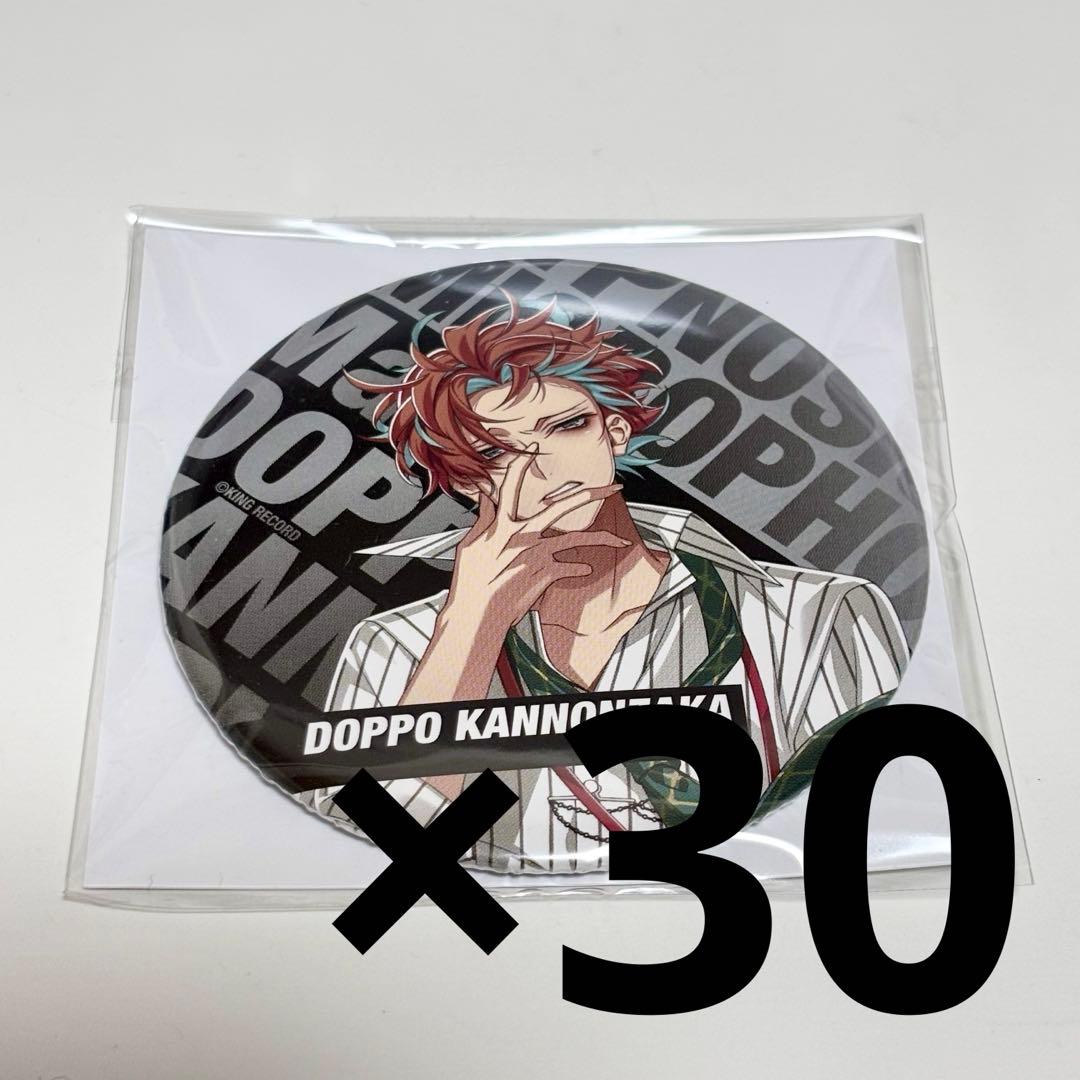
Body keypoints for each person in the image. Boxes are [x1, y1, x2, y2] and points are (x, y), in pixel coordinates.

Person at [297, 295, 909, 873]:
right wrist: (470, 626)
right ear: (463, 480)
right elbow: (379, 845)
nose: (546, 468)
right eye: (499, 453)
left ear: (613, 432)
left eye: (566, 427)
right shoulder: (397, 645)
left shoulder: (817, 611)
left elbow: (872, 812)